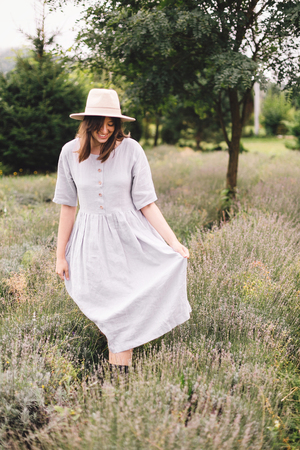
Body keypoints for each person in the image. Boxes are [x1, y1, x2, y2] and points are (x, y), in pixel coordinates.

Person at [53, 88, 191, 374]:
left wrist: (173, 242)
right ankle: (119, 380)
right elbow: (68, 207)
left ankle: (118, 379)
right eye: (100, 123)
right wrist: (60, 255)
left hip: (130, 239)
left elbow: (147, 203)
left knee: (125, 308)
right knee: (108, 307)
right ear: (87, 121)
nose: (106, 130)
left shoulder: (131, 149)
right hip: (89, 244)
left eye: (112, 123)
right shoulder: (69, 152)